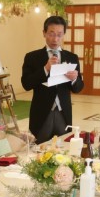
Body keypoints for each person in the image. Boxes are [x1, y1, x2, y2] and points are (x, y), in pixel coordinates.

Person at [21, 15, 84, 143]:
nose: (55, 39)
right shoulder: (32, 57)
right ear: (44, 33)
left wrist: (74, 79)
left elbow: (78, 87)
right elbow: (26, 84)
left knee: (64, 148)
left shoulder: (72, 57)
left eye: (59, 34)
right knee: (39, 148)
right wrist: (45, 69)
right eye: (51, 34)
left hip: (63, 112)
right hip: (41, 112)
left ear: (64, 34)